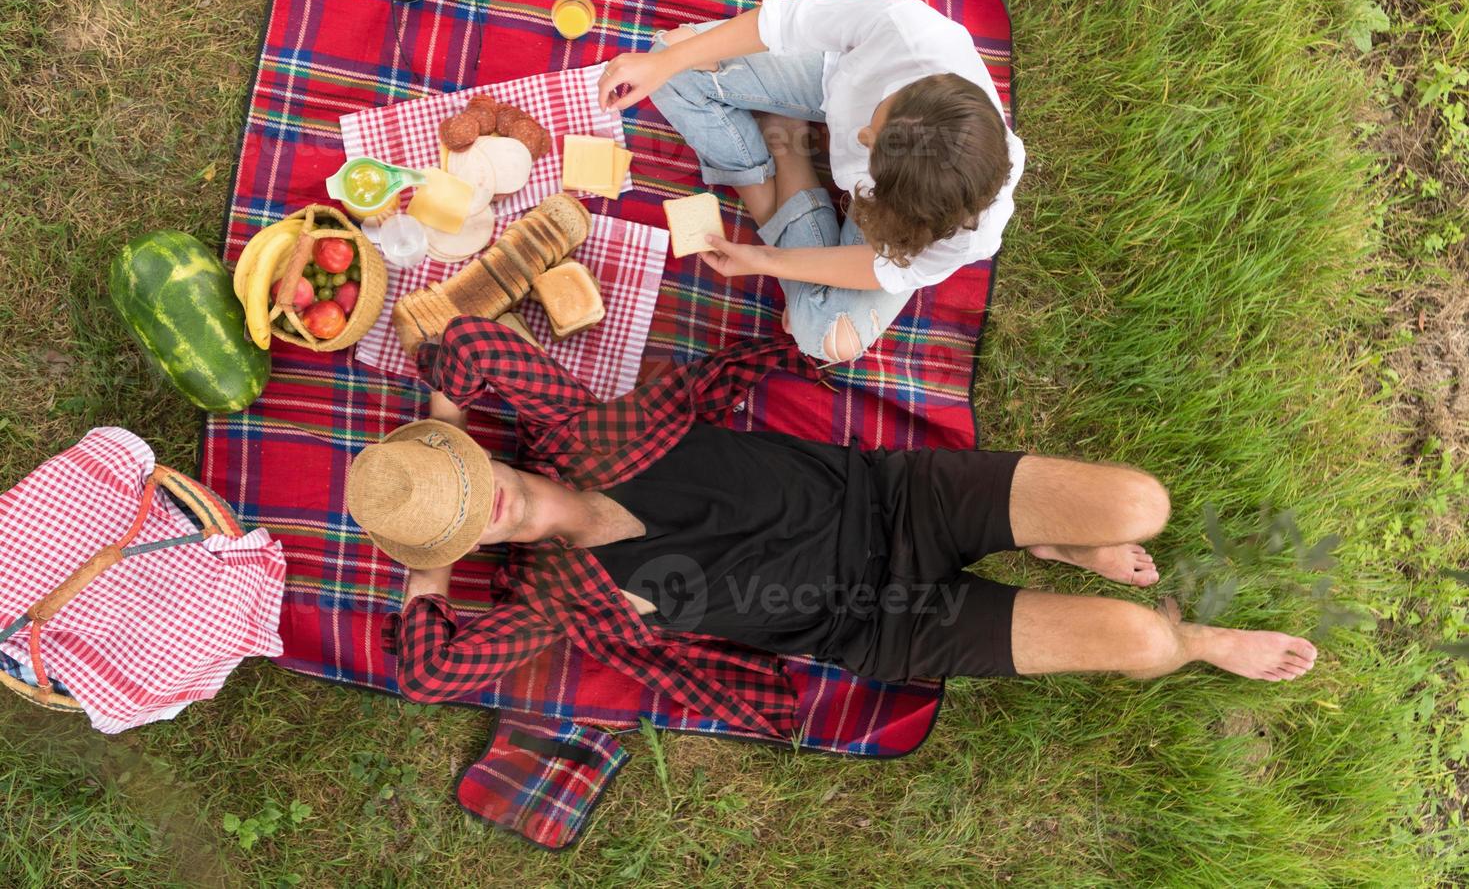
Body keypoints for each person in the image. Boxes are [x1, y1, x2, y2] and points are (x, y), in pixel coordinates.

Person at [345, 318, 1316, 737]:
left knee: (1137, 501)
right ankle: (1197, 639)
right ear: (471, 549)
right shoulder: (562, 598)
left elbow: (462, 342)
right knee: (1143, 639)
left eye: (474, 482)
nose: (493, 505)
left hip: (897, 495)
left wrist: (448, 425)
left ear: (487, 456)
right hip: (882, 624)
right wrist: (423, 563)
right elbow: (429, 670)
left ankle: (1055, 541)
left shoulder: (584, 424)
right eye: (470, 525)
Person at [597, 0, 1026, 364]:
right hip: (826, 79)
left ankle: (788, 151)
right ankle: (776, 168)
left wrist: (766, 260)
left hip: (902, 201)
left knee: (826, 336)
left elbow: (884, 268)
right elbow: (783, 23)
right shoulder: (909, 32)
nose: (857, 137)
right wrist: (667, 62)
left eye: (868, 146)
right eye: (877, 119)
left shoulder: (964, 230)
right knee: (668, 65)